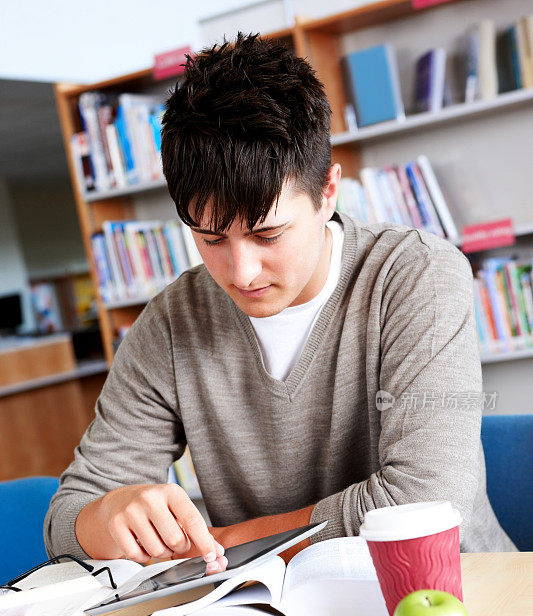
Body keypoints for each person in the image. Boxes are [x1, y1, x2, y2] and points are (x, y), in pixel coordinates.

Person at [45, 33, 516, 567]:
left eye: (268, 235)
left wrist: (236, 541)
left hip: (455, 591)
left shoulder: (416, 277)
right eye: (210, 238)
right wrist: (110, 515)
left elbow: (428, 502)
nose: (241, 272)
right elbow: (66, 519)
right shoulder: (173, 323)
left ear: (328, 191)